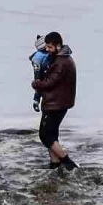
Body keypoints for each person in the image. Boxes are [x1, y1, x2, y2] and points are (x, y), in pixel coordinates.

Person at [31, 32, 79, 171]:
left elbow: (49, 83)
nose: (47, 50)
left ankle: (68, 163)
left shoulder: (61, 63)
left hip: (55, 104)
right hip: (59, 102)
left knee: (45, 136)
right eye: (46, 46)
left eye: (50, 47)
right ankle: (55, 163)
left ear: (58, 46)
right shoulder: (62, 58)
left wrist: (35, 83)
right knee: (52, 135)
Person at [29, 35, 53, 113]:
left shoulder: (45, 53)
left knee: (41, 89)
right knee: (39, 89)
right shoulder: (38, 56)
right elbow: (36, 67)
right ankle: (36, 102)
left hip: (46, 72)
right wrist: (37, 78)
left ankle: (38, 102)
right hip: (41, 74)